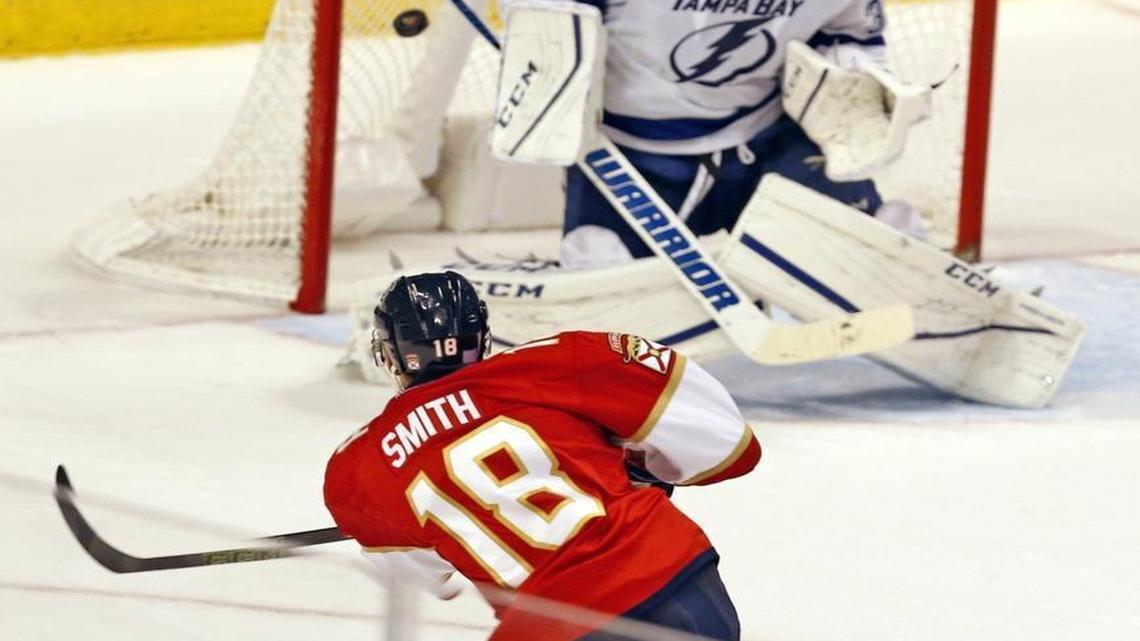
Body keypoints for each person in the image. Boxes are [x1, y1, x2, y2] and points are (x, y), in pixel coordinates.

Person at [324, 271, 761, 641]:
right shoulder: (560, 361)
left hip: (561, 626)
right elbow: (731, 447)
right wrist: (640, 467)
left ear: (390, 356)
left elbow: (421, 579)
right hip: (681, 575)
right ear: (483, 337)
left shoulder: (359, 465)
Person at [558, 0, 925, 267]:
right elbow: (546, 35)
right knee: (603, 271)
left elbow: (849, 34)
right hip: (632, 154)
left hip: (767, 140)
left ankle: (865, 247)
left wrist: (860, 85)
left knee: (866, 252)